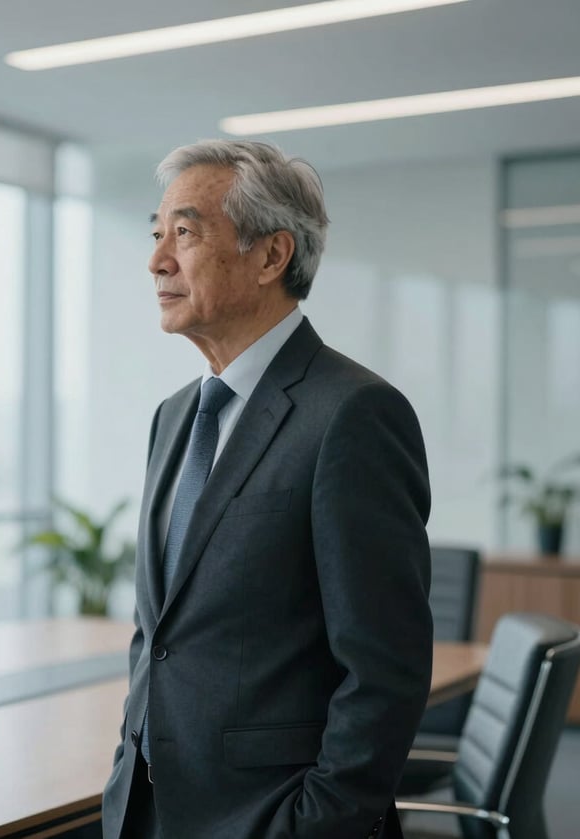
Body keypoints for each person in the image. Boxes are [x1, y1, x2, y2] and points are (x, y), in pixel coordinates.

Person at [102, 139, 432, 839]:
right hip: (154, 809)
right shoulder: (173, 417)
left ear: (271, 255)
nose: (158, 259)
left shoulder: (353, 414)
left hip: (272, 819)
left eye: (185, 233)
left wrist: (312, 824)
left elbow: (385, 671)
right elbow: (156, 634)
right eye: (157, 234)